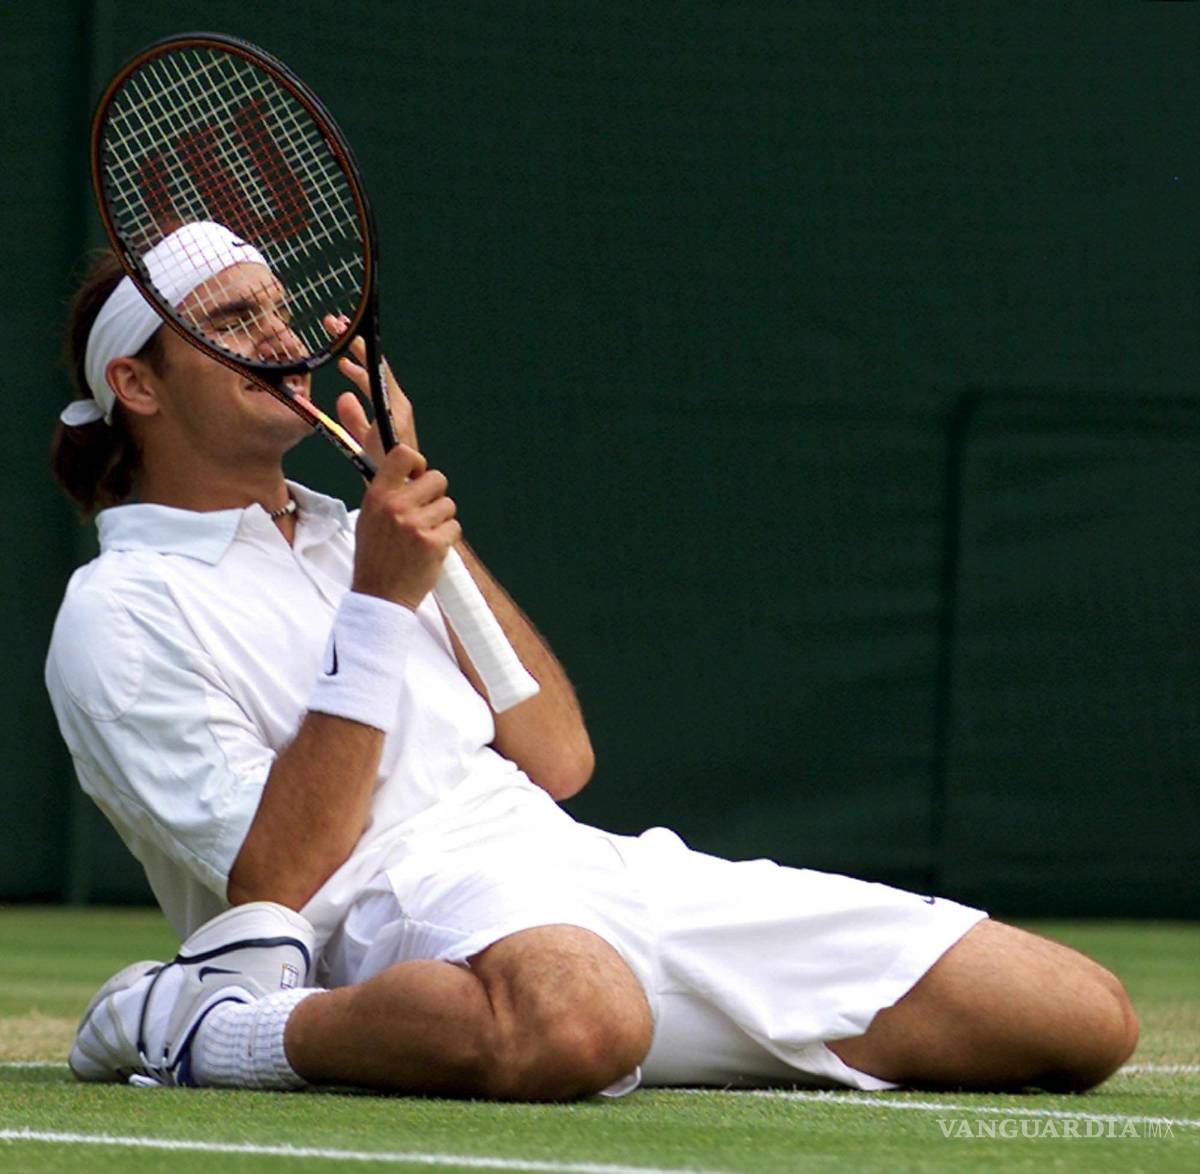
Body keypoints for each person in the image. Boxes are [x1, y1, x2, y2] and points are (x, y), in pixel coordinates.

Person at [47, 222, 1138, 1100]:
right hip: (388, 915)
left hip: (579, 868)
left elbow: (558, 757)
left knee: (1081, 1017)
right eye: (233, 319)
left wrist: (412, 502)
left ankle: (586, 1022)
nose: (281, 336)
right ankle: (210, 1028)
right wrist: (381, 600)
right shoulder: (119, 611)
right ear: (137, 387)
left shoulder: (355, 527)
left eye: (280, 306)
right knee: (580, 1018)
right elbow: (281, 885)